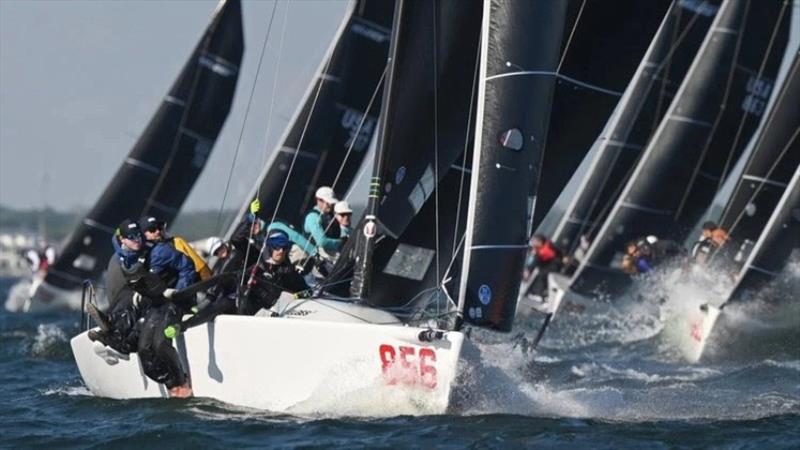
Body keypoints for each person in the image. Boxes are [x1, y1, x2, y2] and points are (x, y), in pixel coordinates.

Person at [93, 219, 193, 398]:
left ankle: (181, 382)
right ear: (123, 240)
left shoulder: (159, 251)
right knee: (145, 351)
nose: (137, 240)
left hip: (172, 301)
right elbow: (115, 240)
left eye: (138, 235)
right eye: (131, 237)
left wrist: (180, 291)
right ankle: (172, 386)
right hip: (155, 303)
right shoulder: (127, 255)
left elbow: (187, 265)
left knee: (160, 344)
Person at [239, 230, 309, 316]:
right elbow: (238, 240)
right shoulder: (255, 265)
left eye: (284, 248)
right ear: (269, 247)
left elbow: (304, 290)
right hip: (260, 316)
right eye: (277, 246)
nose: (281, 251)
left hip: (287, 313)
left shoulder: (288, 270)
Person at [140, 216, 212, 281]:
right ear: (143, 234)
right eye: (152, 229)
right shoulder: (141, 253)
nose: (158, 231)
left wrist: (208, 283)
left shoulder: (177, 241)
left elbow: (200, 265)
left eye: (159, 227)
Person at [303, 186, 343, 253]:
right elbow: (321, 241)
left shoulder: (329, 216)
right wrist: (340, 243)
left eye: (332, 203)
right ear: (318, 200)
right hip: (319, 257)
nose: (330, 205)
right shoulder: (312, 217)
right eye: (327, 202)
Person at [523, 234, 563, 299]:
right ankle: (534, 292)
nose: (533, 243)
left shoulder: (547, 247)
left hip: (553, 264)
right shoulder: (539, 249)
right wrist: (528, 269)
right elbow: (535, 261)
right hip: (546, 263)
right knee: (540, 274)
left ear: (540, 242)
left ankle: (538, 294)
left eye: (535, 242)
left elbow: (535, 261)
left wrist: (528, 270)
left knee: (542, 275)